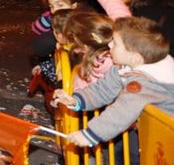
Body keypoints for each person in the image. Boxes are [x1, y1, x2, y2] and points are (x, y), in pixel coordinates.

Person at [52, 16, 174, 156]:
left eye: (115, 43)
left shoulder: (144, 82)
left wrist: (91, 134)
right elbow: (102, 90)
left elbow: (123, 110)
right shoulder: (125, 67)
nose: (109, 45)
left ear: (135, 57)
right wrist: (76, 100)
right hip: (156, 133)